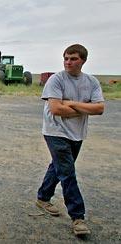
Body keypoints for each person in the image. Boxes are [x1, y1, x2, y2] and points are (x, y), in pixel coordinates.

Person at [36, 44, 104, 236]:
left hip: (77, 133)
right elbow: (56, 109)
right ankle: (78, 217)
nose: (68, 62)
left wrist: (72, 104)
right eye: (66, 58)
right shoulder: (56, 80)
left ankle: (42, 197)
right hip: (54, 131)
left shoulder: (91, 82)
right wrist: (84, 108)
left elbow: (99, 109)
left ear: (83, 60)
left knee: (59, 168)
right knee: (68, 172)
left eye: (73, 59)